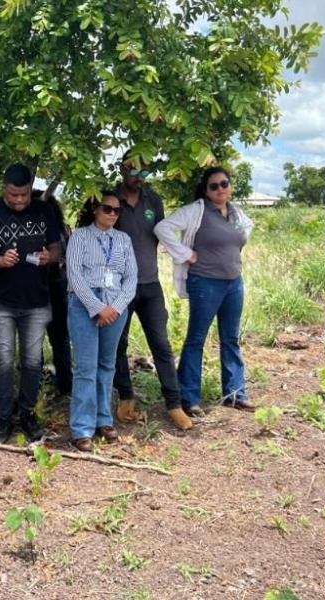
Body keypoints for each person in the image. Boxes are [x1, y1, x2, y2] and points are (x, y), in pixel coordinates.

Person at [155, 166, 256, 413]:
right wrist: (185, 254)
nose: (220, 189)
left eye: (224, 184)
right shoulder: (196, 211)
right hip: (205, 282)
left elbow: (245, 233)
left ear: (230, 186)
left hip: (234, 282)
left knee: (231, 339)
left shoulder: (235, 213)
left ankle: (235, 393)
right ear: (206, 190)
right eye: (214, 186)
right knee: (196, 340)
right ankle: (189, 398)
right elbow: (162, 228)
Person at [0, 164, 62, 443]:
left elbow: (57, 247)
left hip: (36, 301)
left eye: (23, 195)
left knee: (33, 363)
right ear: (4, 189)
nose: (19, 200)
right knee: (3, 363)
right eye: (13, 195)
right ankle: (2, 419)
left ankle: (27, 415)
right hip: (1, 301)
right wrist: (1, 261)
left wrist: (51, 257)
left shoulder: (43, 211)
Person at [112, 154, 189, 428]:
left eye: (144, 172)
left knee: (161, 345)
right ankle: (126, 398)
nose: (138, 176)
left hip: (150, 284)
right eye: (133, 170)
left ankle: (174, 404)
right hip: (118, 288)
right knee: (117, 345)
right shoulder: (109, 200)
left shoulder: (153, 200)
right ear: (122, 169)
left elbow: (162, 236)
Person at [66, 193, 138, 452]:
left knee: (107, 365)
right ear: (95, 209)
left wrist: (115, 308)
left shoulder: (123, 240)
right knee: (85, 367)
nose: (112, 214)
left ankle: (103, 420)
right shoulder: (80, 237)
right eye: (107, 209)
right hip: (85, 304)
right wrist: (97, 308)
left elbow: (131, 279)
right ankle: (82, 428)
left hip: (116, 304)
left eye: (117, 211)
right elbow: (74, 276)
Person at [35, 189, 73, 397]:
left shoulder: (61, 231)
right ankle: (62, 385)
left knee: (55, 339)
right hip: (52, 288)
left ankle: (59, 384)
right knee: (55, 340)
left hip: (54, 288)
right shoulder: (62, 229)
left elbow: (68, 259)